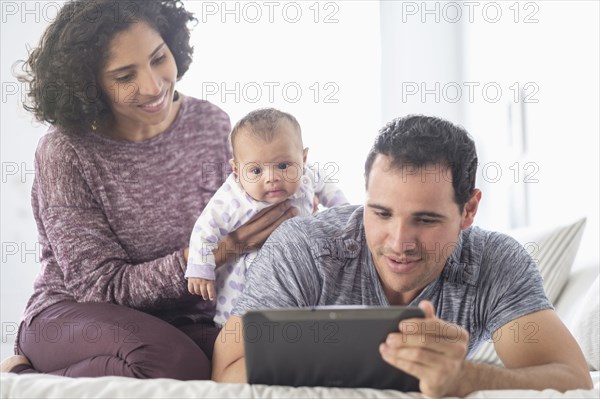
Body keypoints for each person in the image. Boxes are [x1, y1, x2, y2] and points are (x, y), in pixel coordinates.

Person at [0, 0, 298, 379]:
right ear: (91, 86)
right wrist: (215, 252)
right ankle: (26, 375)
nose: (154, 85)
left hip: (181, 317)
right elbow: (101, 287)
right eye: (125, 76)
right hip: (73, 313)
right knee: (173, 364)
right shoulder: (65, 151)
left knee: (254, 353)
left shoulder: (209, 124)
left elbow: (243, 220)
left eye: (158, 58)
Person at [211, 115, 593, 396]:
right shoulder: (304, 247)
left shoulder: (493, 262)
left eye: (425, 220)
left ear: (469, 210)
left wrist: (464, 377)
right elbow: (225, 373)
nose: (398, 242)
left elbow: (572, 379)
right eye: (380, 213)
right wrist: (350, 355)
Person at [186, 108, 348, 326]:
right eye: (256, 171)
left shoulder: (307, 175)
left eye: (283, 166)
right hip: (244, 283)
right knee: (246, 321)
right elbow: (204, 230)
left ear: (303, 158)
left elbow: (329, 190)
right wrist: (201, 268)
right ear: (236, 169)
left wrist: (345, 214)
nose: (272, 178)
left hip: (300, 270)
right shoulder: (233, 196)